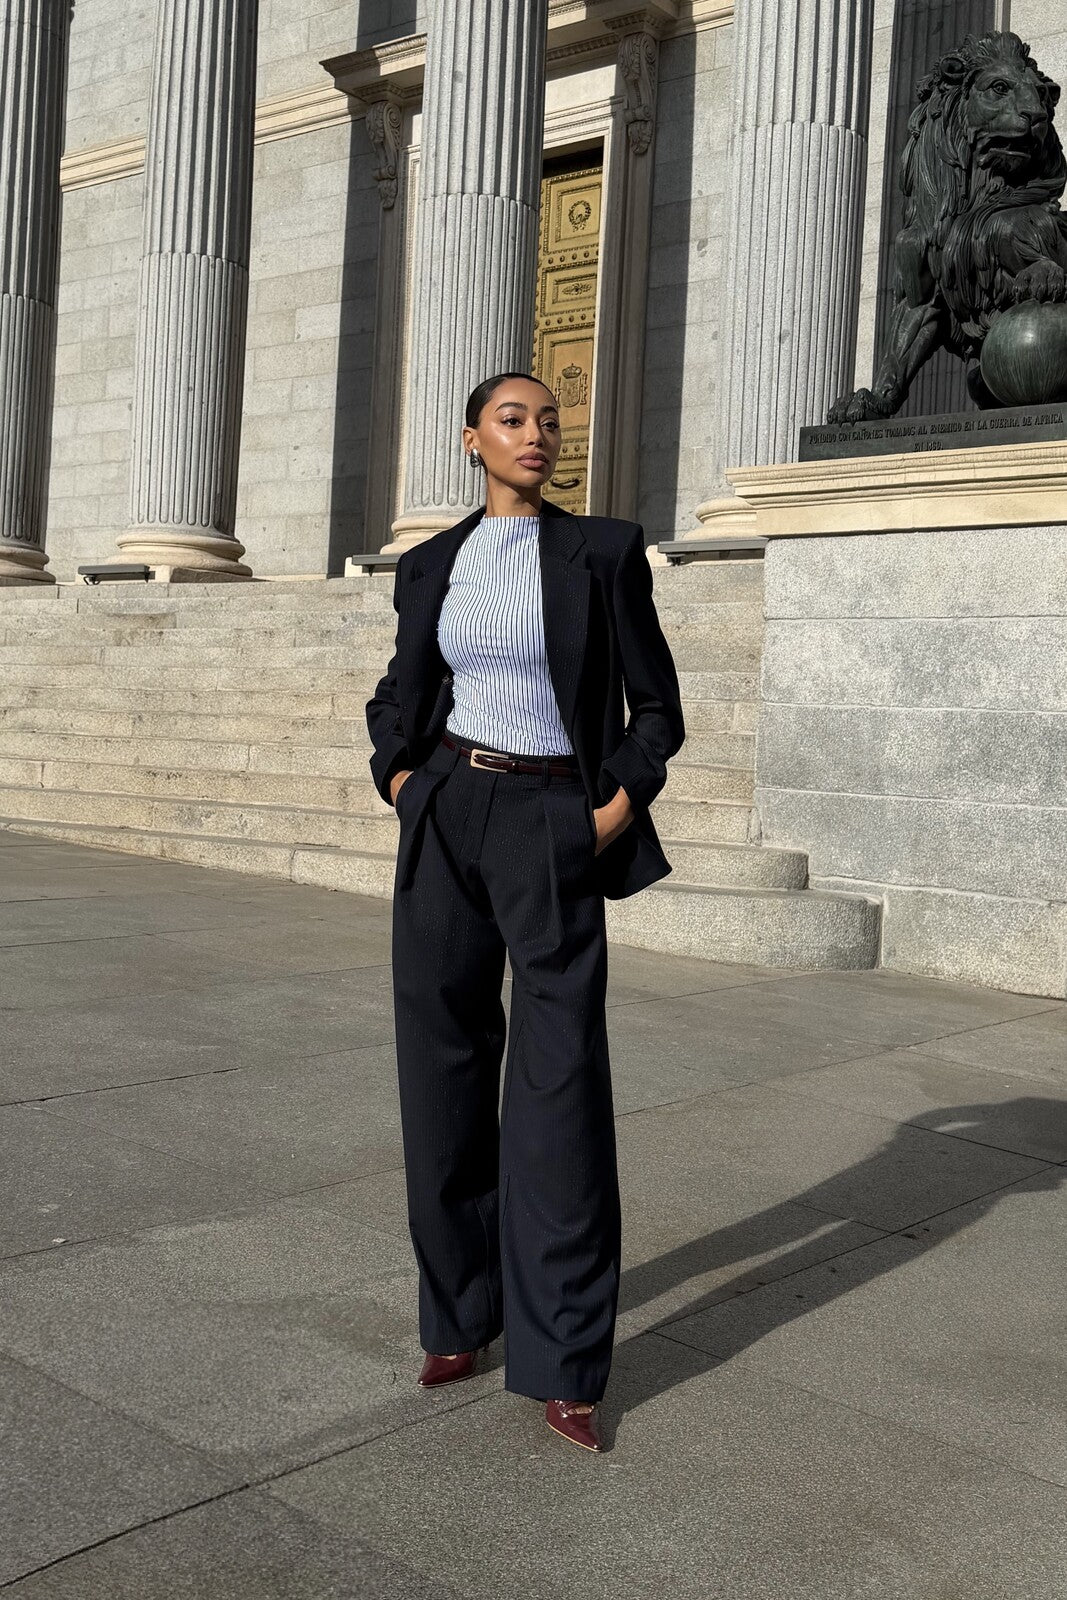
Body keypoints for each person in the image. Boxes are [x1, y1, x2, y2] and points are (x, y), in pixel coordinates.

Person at [366, 371, 685, 1452]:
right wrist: (404, 786)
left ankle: (563, 1361)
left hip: (553, 819)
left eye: (549, 421)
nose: (537, 435)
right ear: (471, 440)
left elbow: (658, 709)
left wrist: (607, 811)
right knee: (441, 1067)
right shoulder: (429, 565)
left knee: (557, 1093)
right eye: (514, 419)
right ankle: (457, 1314)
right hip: (450, 810)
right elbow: (396, 695)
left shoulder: (599, 552)